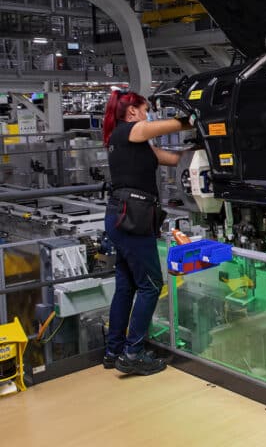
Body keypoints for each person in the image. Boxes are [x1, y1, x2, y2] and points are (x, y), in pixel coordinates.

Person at [101, 89, 192, 375]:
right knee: (151, 284)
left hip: (121, 217)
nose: (148, 114)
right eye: (145, 109)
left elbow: (173, 159)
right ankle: (133, 353)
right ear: (132, 112)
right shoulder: (131, 130)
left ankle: (114, 350)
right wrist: (196, 118)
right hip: (133, 219)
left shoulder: (128, 142)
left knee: (127, 286)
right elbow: (177, 124)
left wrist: (201, 149)